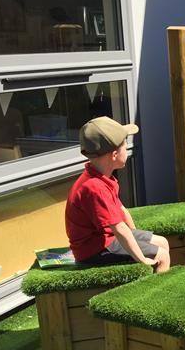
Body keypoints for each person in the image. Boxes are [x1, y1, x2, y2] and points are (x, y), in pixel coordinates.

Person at [65, 117, 171, 272]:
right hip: (94, 250)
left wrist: (135, 234)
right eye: (125, 145)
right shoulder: (94, 187)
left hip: (106, 239)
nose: (127, 148)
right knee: (161, 256)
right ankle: (157, 293)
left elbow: (121, 210)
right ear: (114, 155)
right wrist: (141, 258)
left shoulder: (102, 177)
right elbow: (119, 228)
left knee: (162, 242)